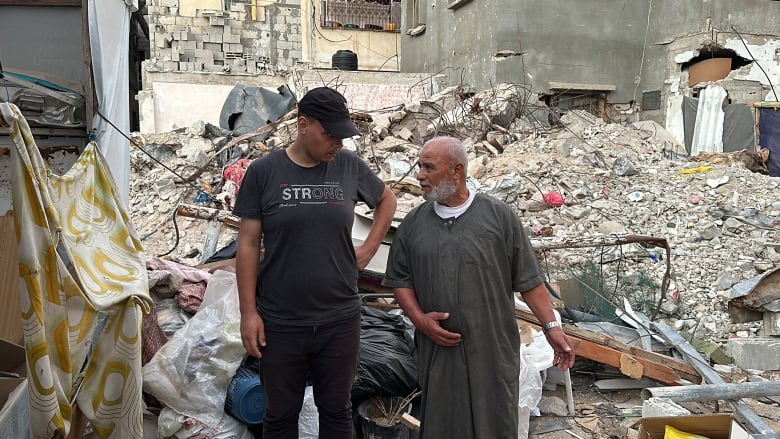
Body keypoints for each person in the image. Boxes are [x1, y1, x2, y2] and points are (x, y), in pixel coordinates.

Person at [382, 136, 575, 438]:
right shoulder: (414, 224)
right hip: (439, 353)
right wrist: (420, 321)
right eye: (419, 165)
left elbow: (529, 281)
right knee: (443, 425)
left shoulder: (498, 218)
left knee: (494, 423)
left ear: (456, 171)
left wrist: (552, 327)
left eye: (428, 167)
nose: (419, 174)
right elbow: (400, 281)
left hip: (492, 352)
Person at [233, 86, 397, 439]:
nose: (337, 143)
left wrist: (369, 248)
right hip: (281, 322)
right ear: (303, 125)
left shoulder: (348, 166)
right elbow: (247, 244)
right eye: (330, 134)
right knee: (279, 416)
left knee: (336, 412)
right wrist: (249, 313)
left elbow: (387, 199)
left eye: (343, 135)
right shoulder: (264, 172)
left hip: (339, 319)